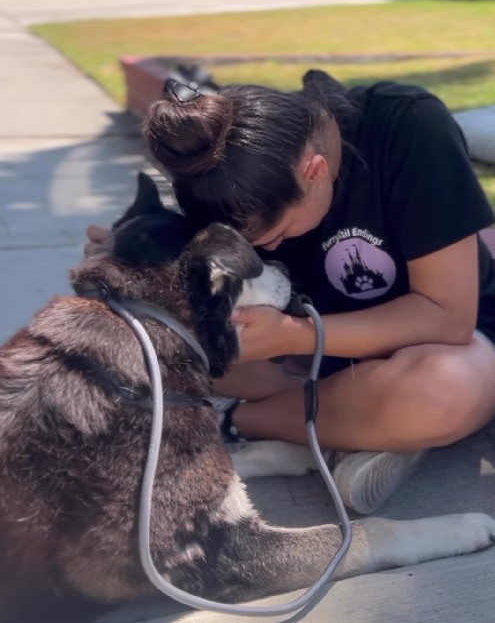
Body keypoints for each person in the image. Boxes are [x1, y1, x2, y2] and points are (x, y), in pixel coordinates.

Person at [87, 70, 495, 514]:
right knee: (141, 340)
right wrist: (133, 256)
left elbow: (447, 317)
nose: (270, 250)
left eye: (279, 236)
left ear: (314, 172)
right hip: (310, 360)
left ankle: (238, 422)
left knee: (440, 394)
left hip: (447, 343)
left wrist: (294, 335)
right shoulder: (229, 167)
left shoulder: (407, 126)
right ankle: (355, 428)